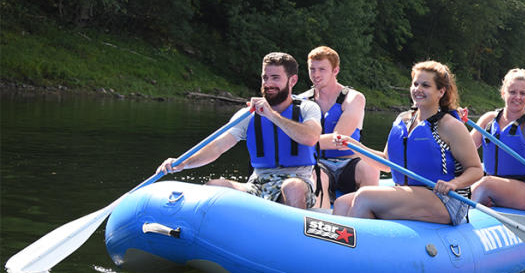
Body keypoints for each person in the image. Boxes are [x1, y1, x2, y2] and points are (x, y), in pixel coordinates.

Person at [158, 52, 321, 208]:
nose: (268, 84)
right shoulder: (247, 115)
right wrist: (182, 163)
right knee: (214, 186)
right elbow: (217, 147)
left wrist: (272, 115)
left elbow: (311, 137)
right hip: (258, 184)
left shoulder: (308, 108)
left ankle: (292, 233)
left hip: (298, 180)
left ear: (292, 81)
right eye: (265, 78)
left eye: (275, 78)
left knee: (292, 187)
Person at [332, 60, 483, 223]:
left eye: (425, 85)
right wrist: (354, 146)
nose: (418, 89)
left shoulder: (450, 126)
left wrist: (454, 183)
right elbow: (386, 163)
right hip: (408, 193)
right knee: (341, 204)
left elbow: (475, 169)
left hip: (445, 200)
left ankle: (360, 245)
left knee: (364, 197)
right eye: (415, 84)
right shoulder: (403, 120)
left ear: (441, 91)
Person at [466, 68, 525, 210]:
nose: (517, 97)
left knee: (485, 184)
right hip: (493, 183)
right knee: (470, 179)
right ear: (503, 93)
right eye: (512, 92)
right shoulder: (488, 120)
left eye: (523, 93)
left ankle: (463, 213)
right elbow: (464, 151)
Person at [298, 46, 380, 208]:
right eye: (312, 69)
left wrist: (302, 139)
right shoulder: (302, 101)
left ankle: (370, 219)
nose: (316, 75)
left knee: (370, 168)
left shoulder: (354, 98)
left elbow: (339, 138)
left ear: (335, 70)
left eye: (322, 69)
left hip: (350, 163)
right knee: (316, 175)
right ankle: (320, 221)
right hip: (319, 164)